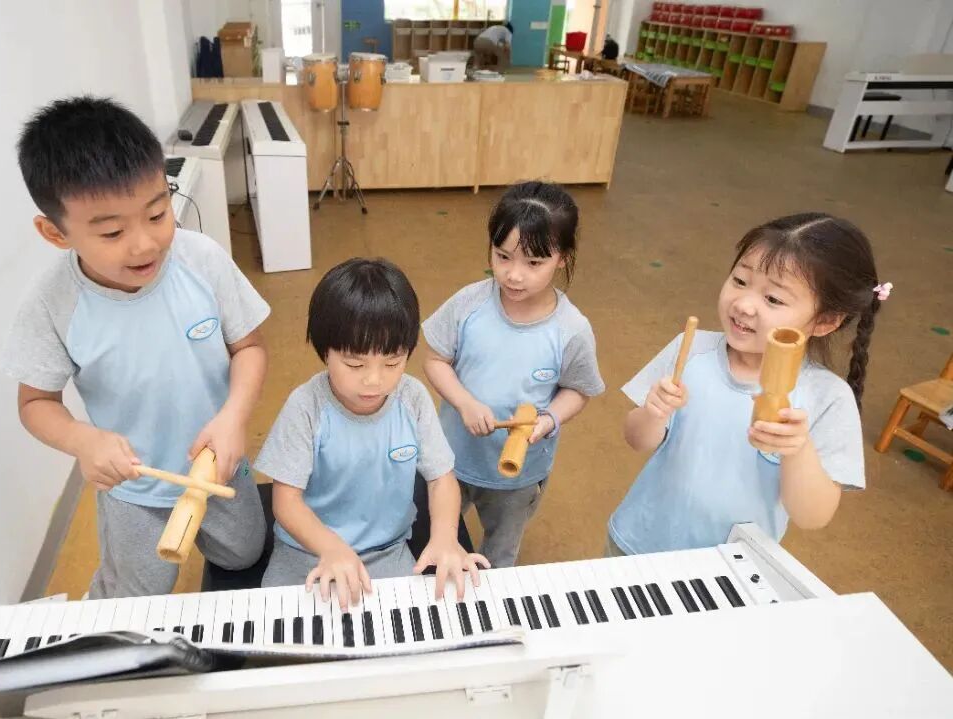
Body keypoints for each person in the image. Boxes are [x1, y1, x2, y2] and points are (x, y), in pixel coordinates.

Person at [0, 96, 269, 598]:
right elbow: (35, 403)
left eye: (157, 213)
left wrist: (234, 417)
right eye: (113, 231)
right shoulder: (53, 301)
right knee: (137, 596)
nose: (145, 244)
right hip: (134, 484)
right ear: (55, 232)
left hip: (217, 460)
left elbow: (249, 348)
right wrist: (83, 441)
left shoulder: (201, 260)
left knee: (245, 555)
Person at [607, 213, 887, 556]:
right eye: (740, 280)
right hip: (638, 541)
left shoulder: (827, 397)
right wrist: (653, 413)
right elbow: (636, 440)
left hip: (728, 569)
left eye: (773, 299)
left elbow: (812, 516)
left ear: (825, 321)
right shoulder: (691, 350)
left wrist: (797, 449)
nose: (743, 304)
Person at [256, 258, 488, 609]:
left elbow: (441, 478)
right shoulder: (306, 405)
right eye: (355, 364)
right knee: (281, 628)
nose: (374, 380)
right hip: (307, 549)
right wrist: (332, 548)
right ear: (324, 351)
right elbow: (286, 501)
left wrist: (444, 536)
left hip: (386, 550)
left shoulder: (412, 398)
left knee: (410, 630)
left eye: (392, 363)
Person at [423, 181, 605, 568]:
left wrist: (549, 419)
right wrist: (464, 403)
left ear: (563, 258)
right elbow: (435, 360)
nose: (514, 275)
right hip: (451, 458)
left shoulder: (571, 329)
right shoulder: (469, 303)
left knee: (499, 554)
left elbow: (578, 390)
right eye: (503, 256)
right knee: (432, 536)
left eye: (533, 263)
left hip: (517, 475)